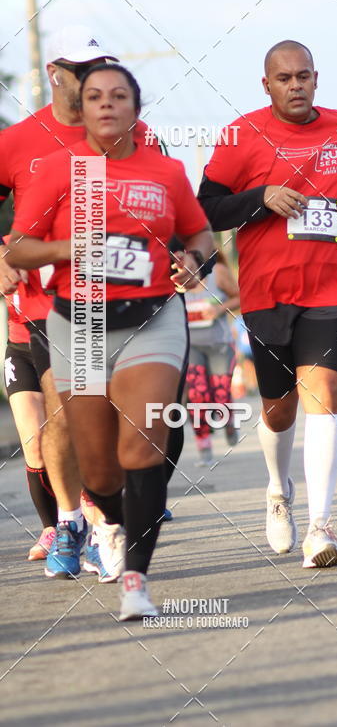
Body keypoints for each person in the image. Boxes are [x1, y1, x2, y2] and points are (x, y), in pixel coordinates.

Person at [7, 63, 215, 619]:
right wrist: (66, 250)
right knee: (99, 470)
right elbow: (19, 248)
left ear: (135, 109)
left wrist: (194, 260)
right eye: (95, 96)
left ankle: (136, 580)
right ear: (83, 109)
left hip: (153, 317)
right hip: (79, 323)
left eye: (118, 96)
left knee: (141, 444)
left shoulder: (165, 172)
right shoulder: (58, 170)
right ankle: (114, 522)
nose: (105, 104)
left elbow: (199, 233)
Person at [199, 40, 337, 567]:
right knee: (279, 412)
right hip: (267, 293)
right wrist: (260, 198)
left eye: (303, 76)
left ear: (316, 78)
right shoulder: (242, 135)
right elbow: (205, 207)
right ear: (267, 85)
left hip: (334, 290)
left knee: (324, 396)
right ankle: (278, 491)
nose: (296, 85)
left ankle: (322, 530)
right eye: (284, 78)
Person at [0, 26, 126, 578]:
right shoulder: (16, 141)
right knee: (59, 413)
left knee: (105, 418)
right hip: (41, 304)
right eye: (85, 69)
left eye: (105, 65)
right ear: (57, 74)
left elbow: (169, 202)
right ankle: (76, 523)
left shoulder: (131, 132)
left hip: (118, 300)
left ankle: (103, 519)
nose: (97, 77)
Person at [3, 277, 57, 559]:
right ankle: (52, 530)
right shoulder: (6, 247)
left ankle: (94, 522)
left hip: (66, 343)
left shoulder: (73, 236)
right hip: (20, 348)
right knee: (34, 442)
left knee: (77, 439)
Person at [183, 248, 240, 464]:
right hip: (191, 345)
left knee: (221, 393)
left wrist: (218, 309)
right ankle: (204, 445)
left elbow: (240, 297)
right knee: (197, 394)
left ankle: (228, 420)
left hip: (219, 343)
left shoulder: (218, 272)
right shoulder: (177, 274)